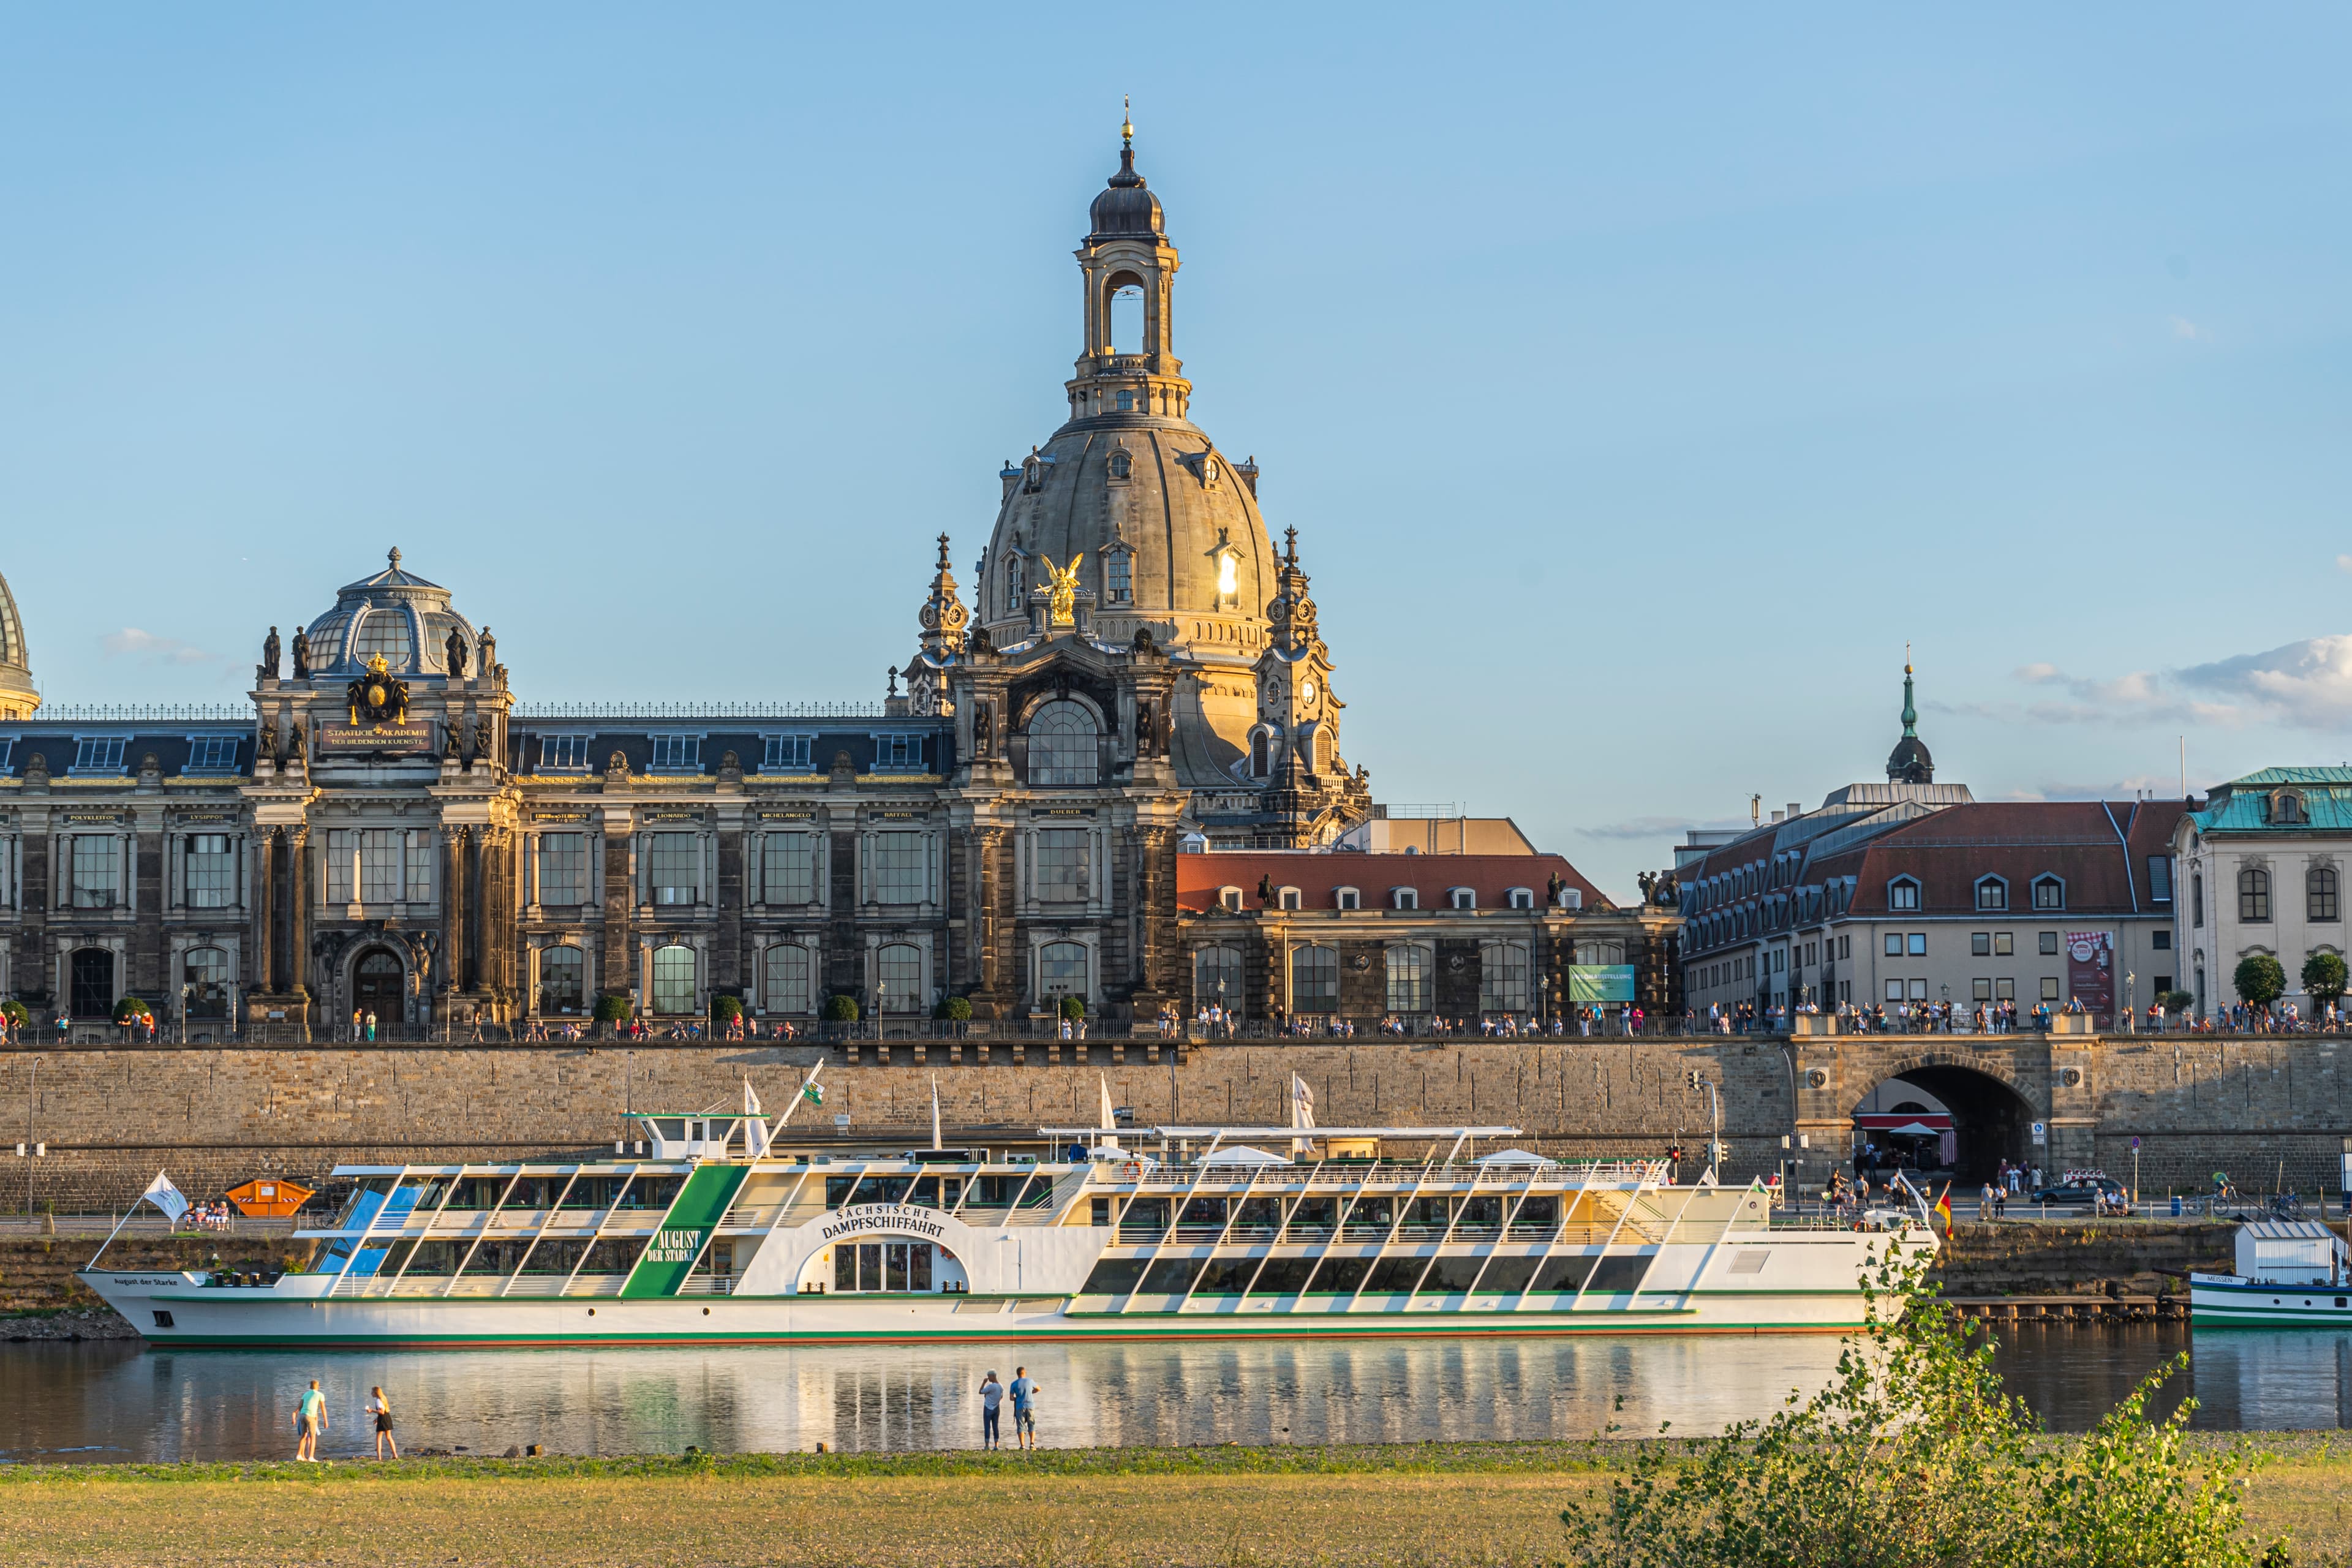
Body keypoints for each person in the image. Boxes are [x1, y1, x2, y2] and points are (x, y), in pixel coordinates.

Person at [295, 1378, 328, 1461]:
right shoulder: (320, 1395)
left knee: (304, 1436)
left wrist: (295, 1414)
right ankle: (311, 1457)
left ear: (310, 1387)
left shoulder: (305, 1394)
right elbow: (323, 1408)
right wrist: (325, 1420)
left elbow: (300, 1406)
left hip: (302, 1416)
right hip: (310, 1416)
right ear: (318, 1387)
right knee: (313, 1436)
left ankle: (299, 1455)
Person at [1008, 1365, 1039, 1450]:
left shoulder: (1014, 1384)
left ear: (1017, 1374)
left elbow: (1011, 1398)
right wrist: (1031, 1392)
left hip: (1019, 1406)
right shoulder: (1030, 1381)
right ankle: (1032, 1444)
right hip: (1030, 1405)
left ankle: (1022, 1446)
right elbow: (1038, 1389)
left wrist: (1018, 1398)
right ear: (1024, 1373)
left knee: (1021, 1426)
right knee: (1031, 1424)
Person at [366, 1385, 398, 1459]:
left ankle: (379, 1457)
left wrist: (371, 1410)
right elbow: (384, 1411)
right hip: (388, 1418)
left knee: (379, 1438)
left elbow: (382, 1412)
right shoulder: (384, 1398)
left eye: (372, 1392)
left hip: (383, 1418)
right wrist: (377, 1419)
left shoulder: (378, 1400)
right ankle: (395, 1454)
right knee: (389, 1437)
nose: (371, 1394)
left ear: (376, 1393)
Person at [978, 1370, 1004, 1450]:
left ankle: (987, 1446)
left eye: (989, 1376)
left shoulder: (991, 1386)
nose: (988, 1378)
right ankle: (996, 1445)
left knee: (987, 1427)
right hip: (997, 1408)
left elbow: (981, 1392)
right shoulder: (1000, 1386)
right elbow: (1001, 1397)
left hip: (988, 1408)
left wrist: (984, 1383)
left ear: (993, 1376)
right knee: (995, 1427)